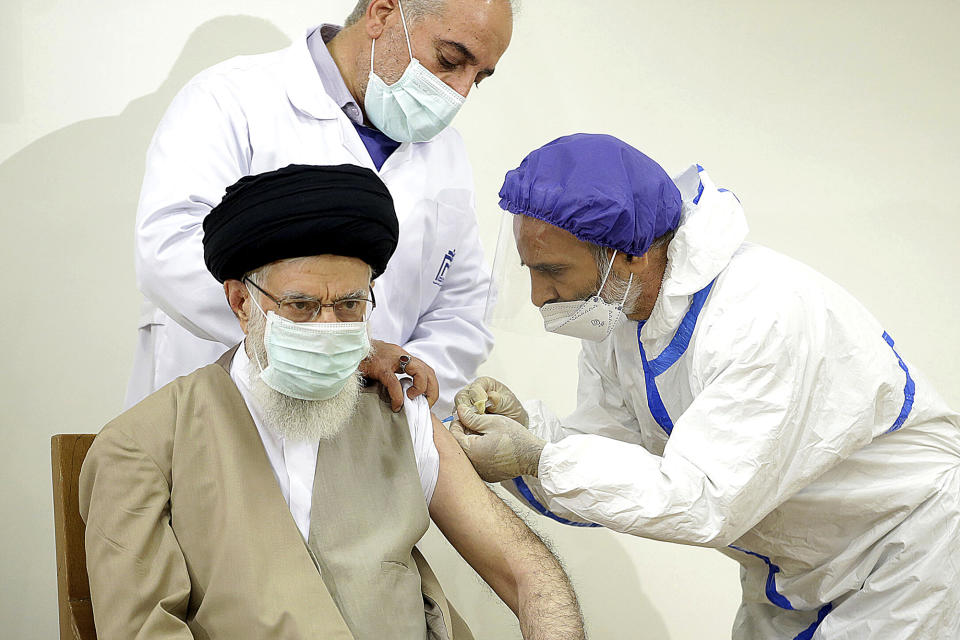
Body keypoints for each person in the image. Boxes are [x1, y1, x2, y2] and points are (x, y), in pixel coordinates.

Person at [451, 133, 960, 639]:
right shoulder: (622, 320)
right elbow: (615, 459)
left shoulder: (760, 314)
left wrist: (535, 458)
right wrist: (527, 433)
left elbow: (700, 499)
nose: (540, 296)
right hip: (792, 568)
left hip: (907, 554)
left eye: (552, 270)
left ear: (629, 255)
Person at [80, 164, 584, 640]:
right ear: (241, 303)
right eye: (301, 306)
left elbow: (528, 573)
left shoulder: (396, 409)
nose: (329, 327)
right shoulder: (143, 445)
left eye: (349, 305)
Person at [129, 0, 515, 414]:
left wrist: (401, 376)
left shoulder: (447, 153)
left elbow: (463, 305)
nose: (458, 91)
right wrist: (339, 351)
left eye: (479, 79)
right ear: (382, 15)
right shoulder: (230, 99)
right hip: (226, 409)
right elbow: (168, 252)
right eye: (450, 59)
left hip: (374, 424)